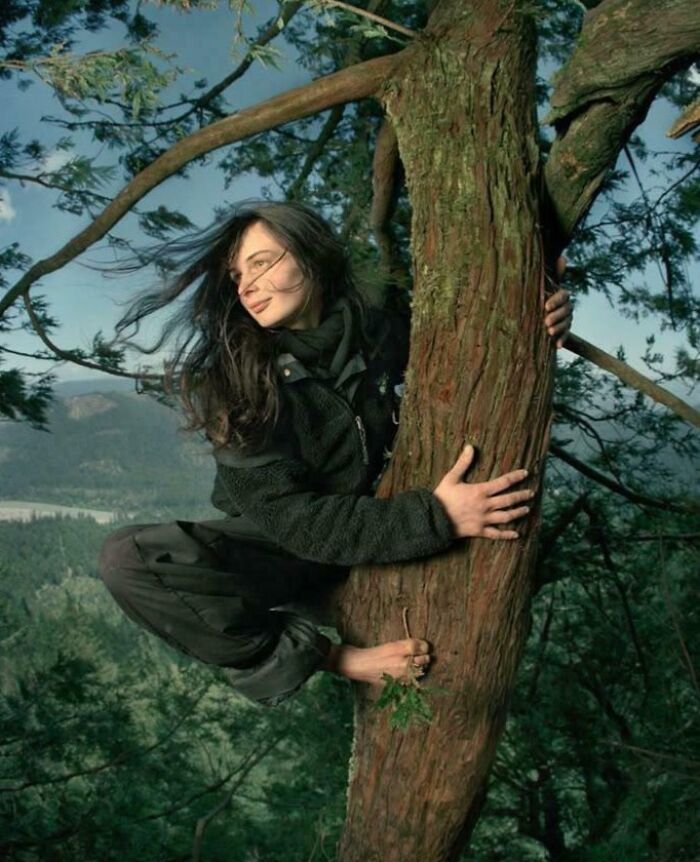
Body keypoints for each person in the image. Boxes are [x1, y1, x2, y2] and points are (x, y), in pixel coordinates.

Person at [97, 200, 572, 708]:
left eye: (261, 263)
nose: (246, 286)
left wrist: (536, 314)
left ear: (310, 253)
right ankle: (336, 658)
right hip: (287, 546)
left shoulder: (380, 319)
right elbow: (293, 520)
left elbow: (468, 334)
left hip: (370, 511)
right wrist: (436, 518)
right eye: (237, 275)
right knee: (128, 560)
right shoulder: (235, 380)